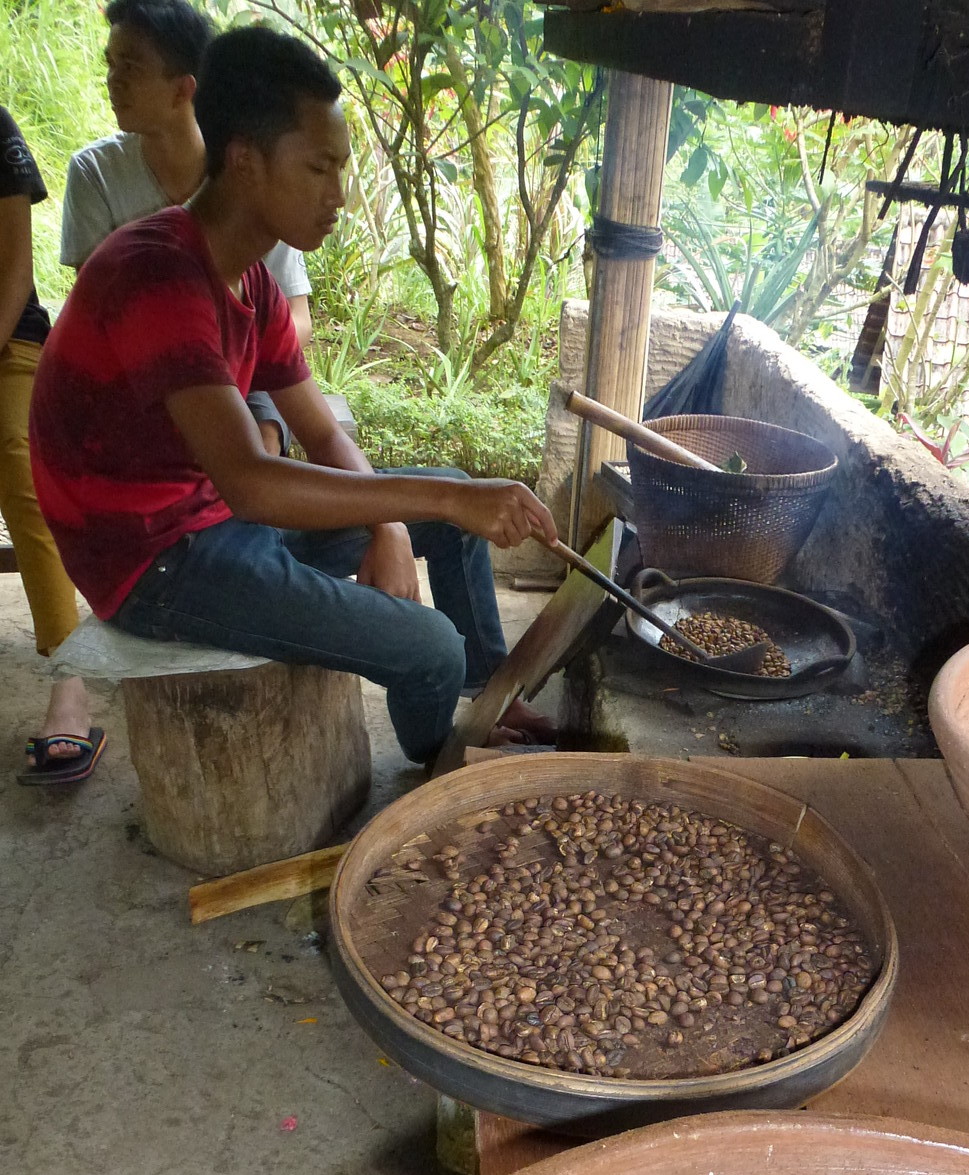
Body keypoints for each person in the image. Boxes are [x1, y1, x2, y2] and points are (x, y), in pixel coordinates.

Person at [30, 26, 554, 769]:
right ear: (244, 161)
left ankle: (488, 691)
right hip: (151, 564)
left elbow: (320, 431)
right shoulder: (155, 274)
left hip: (209, 520)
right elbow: (249, 483)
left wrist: (398, 525)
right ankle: (445, 757)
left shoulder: (253, 283)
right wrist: (417, 506)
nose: (338, 197)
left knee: (458, 497)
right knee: (427, 644)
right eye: (319, 168)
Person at [62, 0, 311, 456]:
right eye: (110, 63)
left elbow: (297, 319)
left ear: (183, 90)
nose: (112, 79)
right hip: (142, 379)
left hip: (243, 375)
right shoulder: (95, 173)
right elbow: (108, 315)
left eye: (131, 66)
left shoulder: (242, 178)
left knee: (265, 440)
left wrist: (241, 367)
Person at [0, 106, 104, 783]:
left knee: (19, 465)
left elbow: (14, 271)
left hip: (10, 341)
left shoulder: (0, 135)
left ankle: (71, 682)